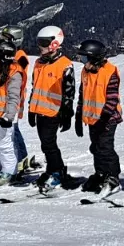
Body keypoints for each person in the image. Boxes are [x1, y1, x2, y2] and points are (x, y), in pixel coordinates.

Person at [27, 26, 79, 192]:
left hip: (54, 112)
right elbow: (35, 87)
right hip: (39, 110)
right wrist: (31, 108)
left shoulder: (64, 65)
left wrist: (67, 113)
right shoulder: (38, 63)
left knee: (49, 143)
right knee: (45, 144)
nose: (40, 46)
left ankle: (57, 172)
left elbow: (69, 92)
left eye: (44, 43)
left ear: (55, 44)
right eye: (39, 42)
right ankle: (53, 169)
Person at [76, 38, 123, 195]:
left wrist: (103, 120)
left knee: (105, 148)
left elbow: (112, 99)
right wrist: (78, 116)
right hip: (93, 118)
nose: (82, 62)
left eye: (84, 58)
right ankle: (101, 173)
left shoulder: (110, 72)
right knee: (96, 147)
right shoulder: (86, 71)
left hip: (107, 118)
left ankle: (113, 176)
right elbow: (83, 95)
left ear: (95, 58)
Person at [0, 42, 29, 185]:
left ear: (4, 57)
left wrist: (8, 116)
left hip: (4, 117)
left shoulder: (14, 73)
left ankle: (9, 171)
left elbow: (14, 97)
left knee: (5, 145)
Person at [0, 26, 36, 172]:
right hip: (6, 96)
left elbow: (16, 74)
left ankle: (19, 159)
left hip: (14, 97)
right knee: (14, 129)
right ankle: (22, 158)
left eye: (6, 39)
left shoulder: (20, 56)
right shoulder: (13, 54)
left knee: (12, 130)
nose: (3, 41)